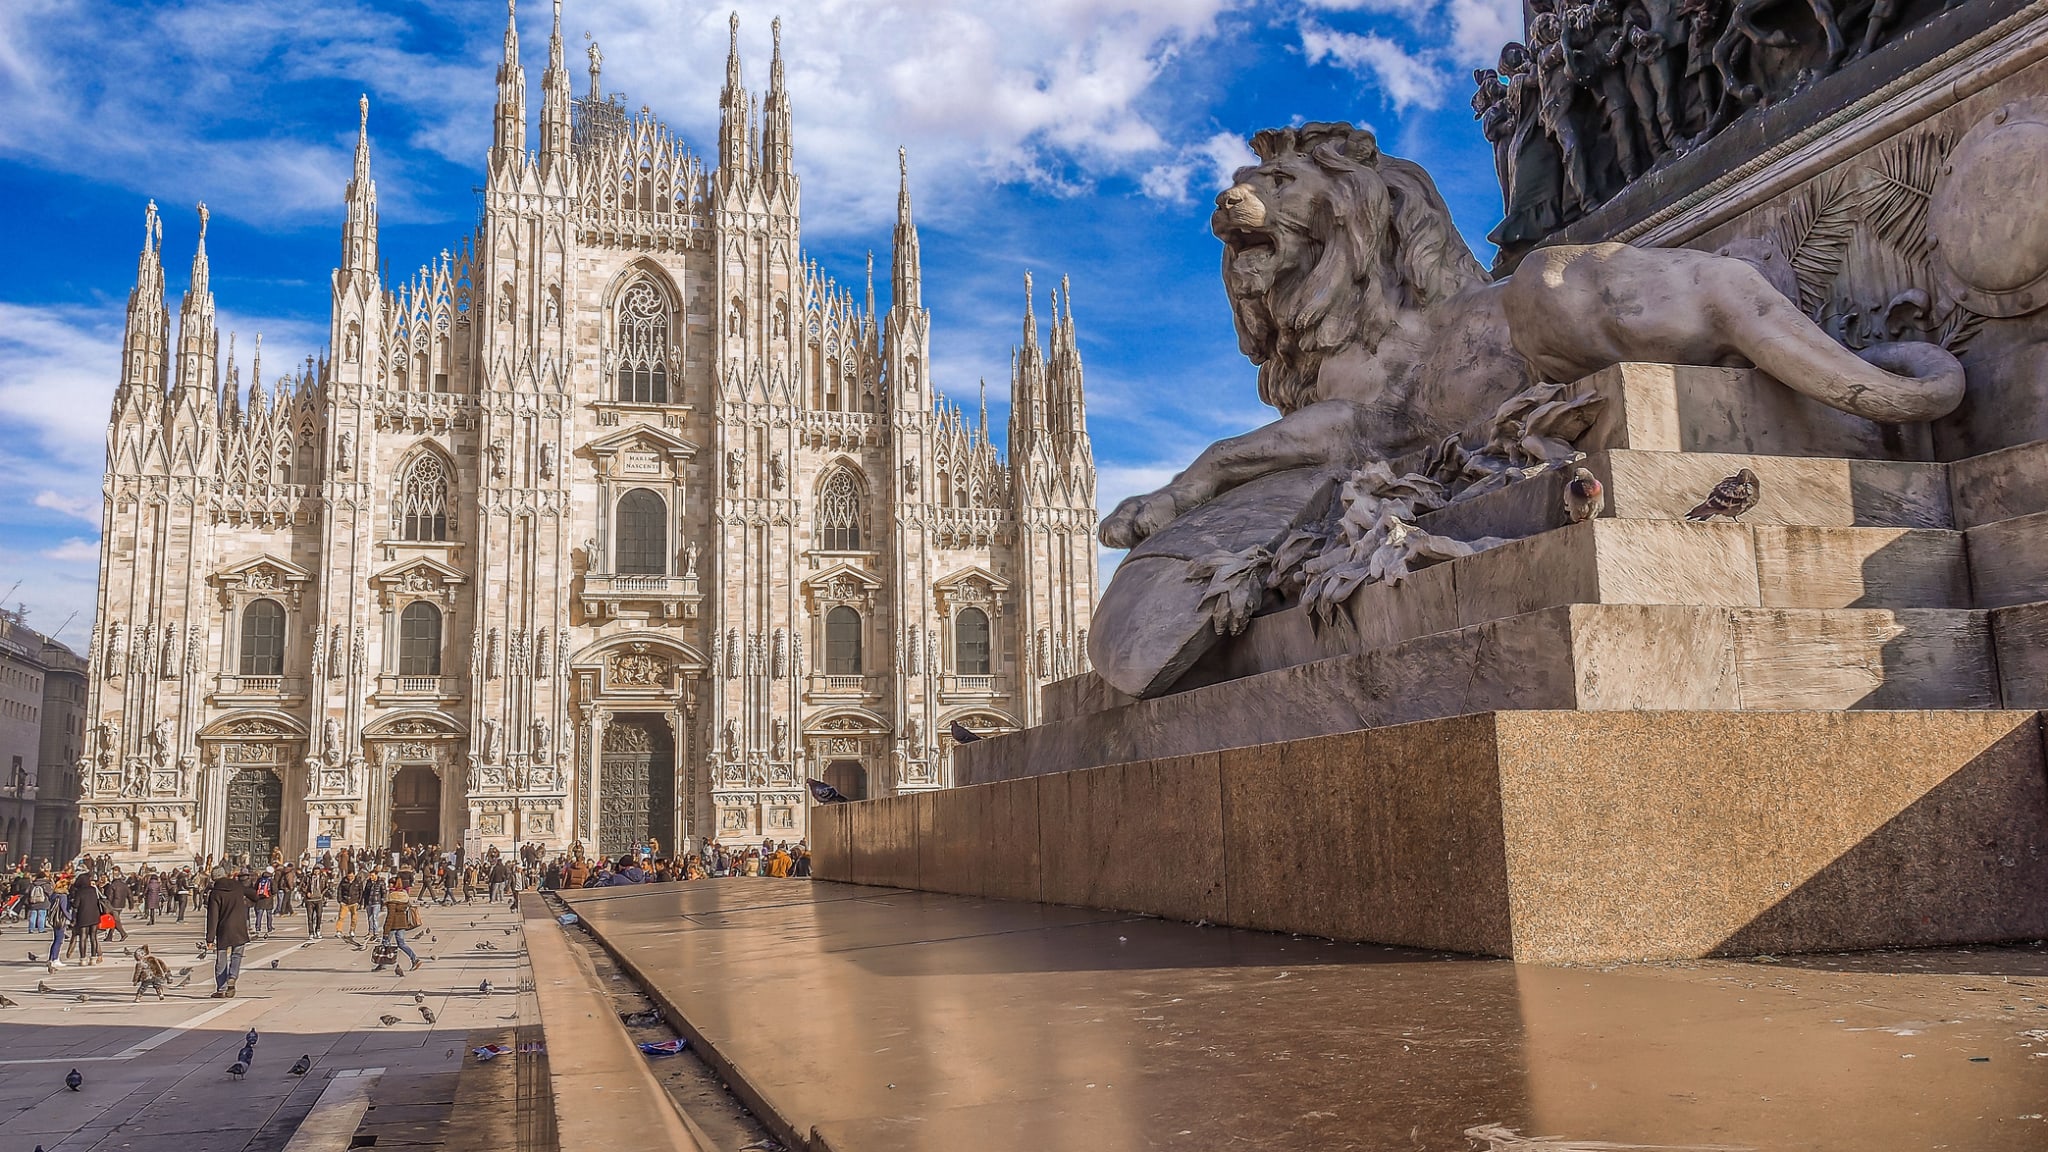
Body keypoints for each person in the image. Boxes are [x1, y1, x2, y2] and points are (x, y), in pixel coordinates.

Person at [204, 867, 257, 998]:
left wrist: (210, 939)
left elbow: (213, 917)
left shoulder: (215, 893)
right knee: (237, 955)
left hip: (224, 929)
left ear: (213, 878)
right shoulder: (238, 886)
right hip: (240, 927)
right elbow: (255, 896)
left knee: (221, 958)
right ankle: (232, 977)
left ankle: (221, 988)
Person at [379, 884, 426, 976]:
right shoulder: (404, 899)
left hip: (393, 925)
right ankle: (415, 959)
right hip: (402, 924)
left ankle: (382, 964)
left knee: (385, 942)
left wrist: (386, 930)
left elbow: (390, 917)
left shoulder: (393, 901)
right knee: (401, 944)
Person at [68, 873, 105, 967]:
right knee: (93, 937)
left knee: (83, 938)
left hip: (83, 916)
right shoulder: (93, 890)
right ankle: (93, 958)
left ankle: (83, 959)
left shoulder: (80, 892)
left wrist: (72, 902)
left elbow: (76, 905)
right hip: (94, 916)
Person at [335, 868, 364, 943]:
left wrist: (359, 902)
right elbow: (339, 890)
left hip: (354, 901)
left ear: (354, 875)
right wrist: (340, 900)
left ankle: (352, 930)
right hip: (345, 901)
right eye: (349, 876)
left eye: (351, 876)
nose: (350, 878)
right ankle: (339, 931)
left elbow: (361, 891)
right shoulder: (344, 881)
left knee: (354, 918)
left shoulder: (358, 881)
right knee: (341, 917)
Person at [301, 866, 328, 940]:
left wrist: (322, 894)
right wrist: (306, 892)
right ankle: (311, 932)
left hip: (319, 899)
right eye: (315, 871)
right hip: (310, 900)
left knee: (319, 916)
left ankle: (318, 930)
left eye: (318, 871)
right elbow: (302, 886)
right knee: (310, 917)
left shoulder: (323, 877)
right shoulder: (308, 878)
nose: (316, 873)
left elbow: (326, 886)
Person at [251, 867, 276, 938]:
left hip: (260, 900)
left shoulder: (259, 879)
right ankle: (269, 927)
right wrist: (271, 894)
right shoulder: (271, 880)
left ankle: (258, 928)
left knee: (259, 915)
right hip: (268, 899)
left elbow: (255, 888)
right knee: (269, 915)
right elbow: (274, 890)